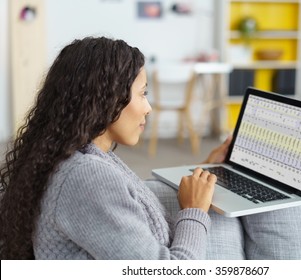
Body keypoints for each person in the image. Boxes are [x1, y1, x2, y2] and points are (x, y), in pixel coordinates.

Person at [0, 37, 232, 260]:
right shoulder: (87, 176)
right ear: (107, 97)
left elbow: (133, 196)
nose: (148, 108)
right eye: (142, 94)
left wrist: (202, 170)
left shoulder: (81, 152)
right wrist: (194, 211)